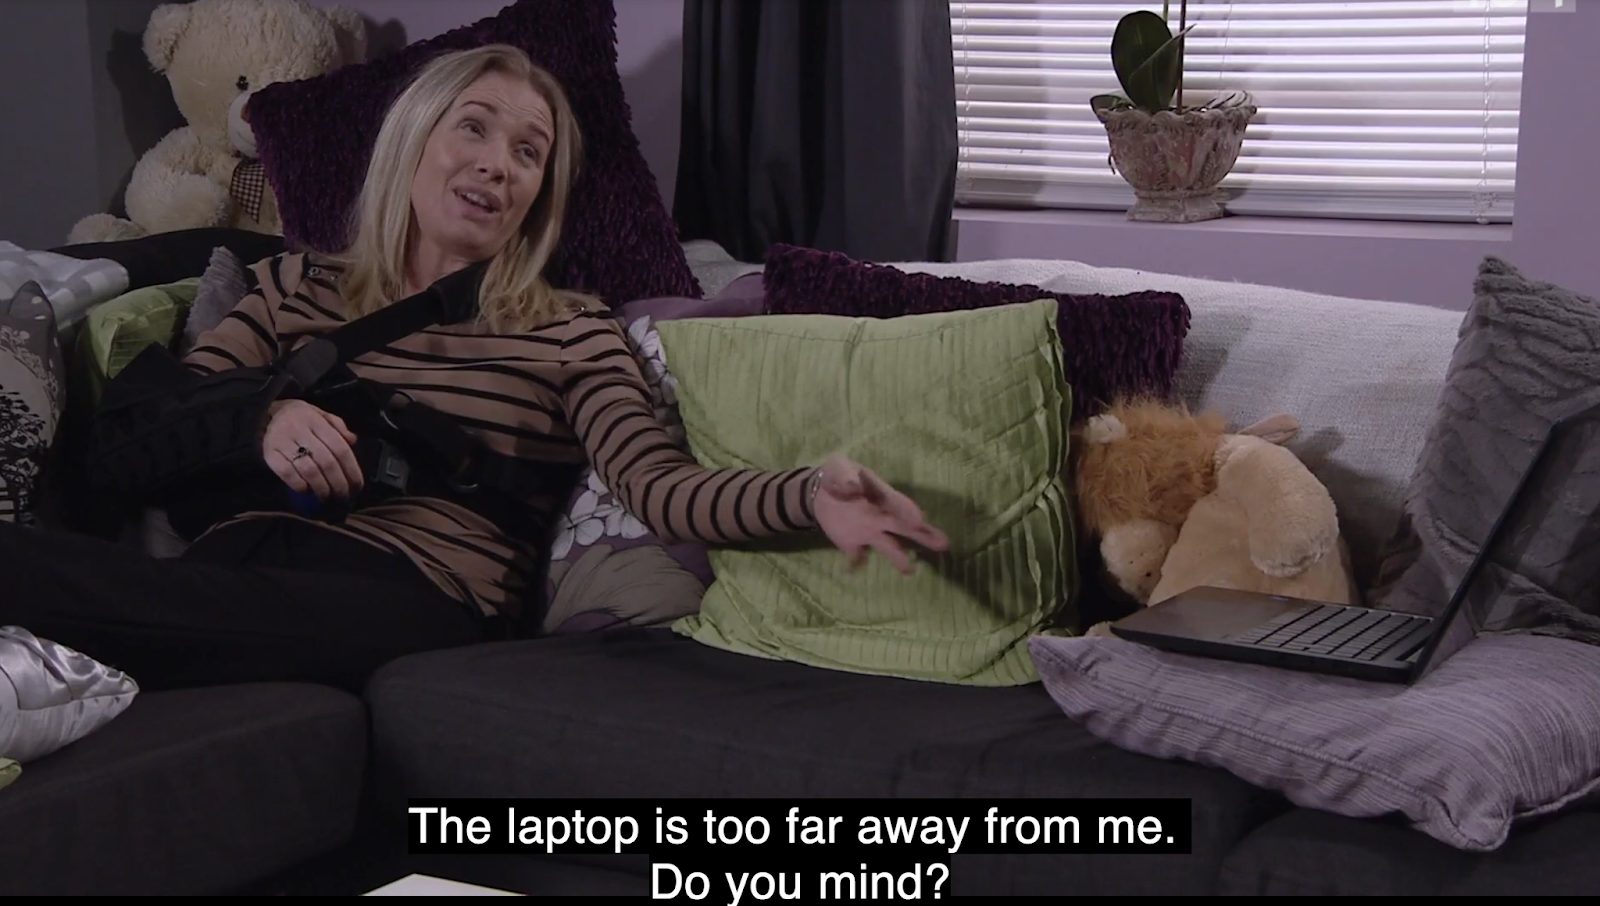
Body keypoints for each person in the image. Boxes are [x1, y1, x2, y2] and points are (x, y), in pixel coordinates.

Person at [0, 44, 946, 695]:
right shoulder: (293, 286)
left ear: (539, 194)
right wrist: (261, 421)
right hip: (238, 568)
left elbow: (663, 489)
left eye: (528, 152)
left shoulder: (570, 329)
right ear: (414, 142)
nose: (499, 164)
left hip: (413, 599)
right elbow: (139, 438)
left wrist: (806, 494)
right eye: (475, 129)